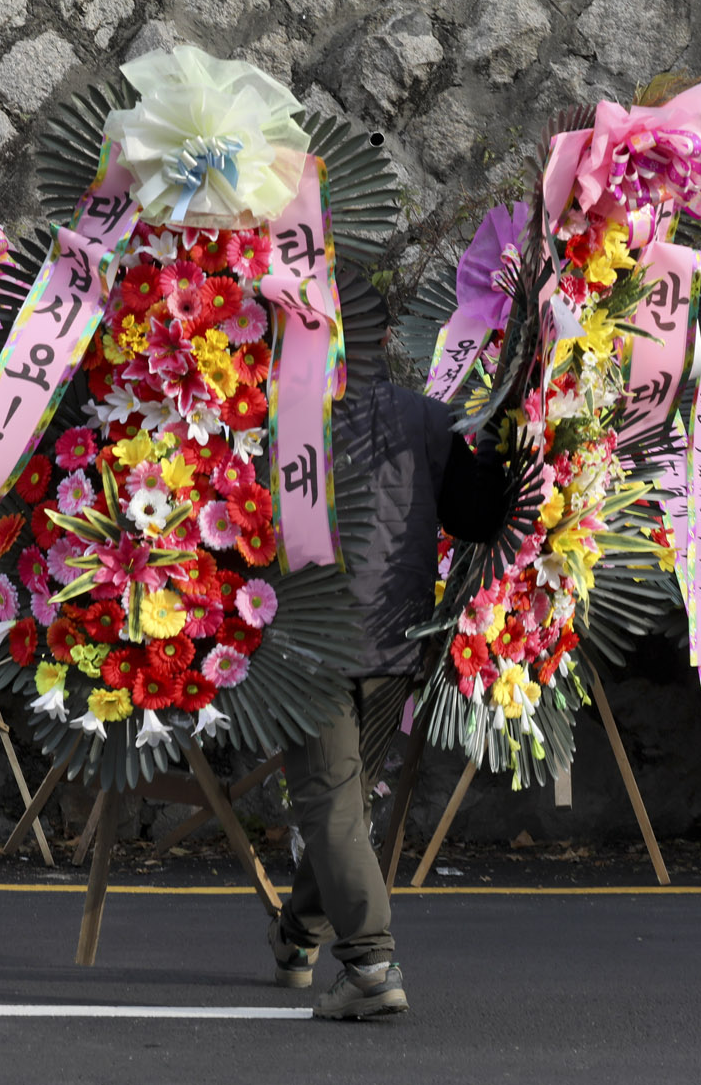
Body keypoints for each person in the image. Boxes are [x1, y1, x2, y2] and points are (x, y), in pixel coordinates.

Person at [271, 376, 508, 1020]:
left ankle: (371, 963)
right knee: (340, 798)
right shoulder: (425, 417)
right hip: (396, 638)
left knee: (329, 801)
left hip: (310, 634)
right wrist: (499, 444)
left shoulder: (272, 401)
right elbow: (477, 516)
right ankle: (296, 939)